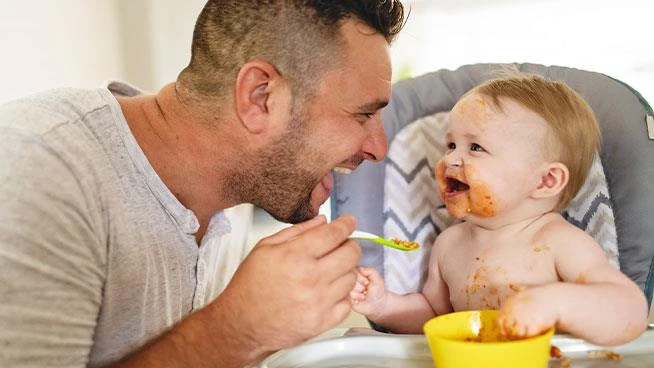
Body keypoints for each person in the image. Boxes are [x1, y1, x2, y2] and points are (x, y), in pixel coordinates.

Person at [0, 1, 406, 367]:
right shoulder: (37, 170)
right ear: (260, 97)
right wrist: (235, 330)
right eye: (363, 114)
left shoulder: (235, 189)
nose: (378, 148)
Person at [350, 74, 649, 346]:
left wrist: (555, 304)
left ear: (546, 180)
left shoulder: (558, 242)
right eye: (451, 144)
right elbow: (434, 319)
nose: (452, 159)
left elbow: (630, 311)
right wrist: (384, 306)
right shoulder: (449, 244)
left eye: (476, 148)